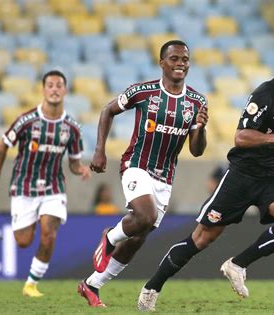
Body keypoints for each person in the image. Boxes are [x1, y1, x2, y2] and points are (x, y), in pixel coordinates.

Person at [137, 42, 274, 311]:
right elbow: (241, 137)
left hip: (273, 176)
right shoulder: (264, 96)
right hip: (241, 177)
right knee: (201, 239)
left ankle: (237, 264)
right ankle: (151, 288)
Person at [77, 40, 208, 307]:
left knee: (139, 236)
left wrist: (202, 129)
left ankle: (91, 285)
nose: (180, 63)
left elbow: (196, 151)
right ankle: (110, 237)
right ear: (162, 63)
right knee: (145, 216)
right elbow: (107, 110)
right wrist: (100, 150)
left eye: (185, 59)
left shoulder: (196, 101)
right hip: (136, 165)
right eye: (174, 59)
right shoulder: (143, 92)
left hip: (165, 176)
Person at [0, 70, 91, 297]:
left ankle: (31, 284)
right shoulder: (27, 120)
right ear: (43, 90)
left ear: (65, 90)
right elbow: (3, 145)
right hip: (24, 185)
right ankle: (28, 221)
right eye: (50, 85)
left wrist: (80, 169)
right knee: (23, 242)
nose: (54, 89)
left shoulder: (72, 128)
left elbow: (73, 163)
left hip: (53, 187)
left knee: (48, 234)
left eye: (59, 85)